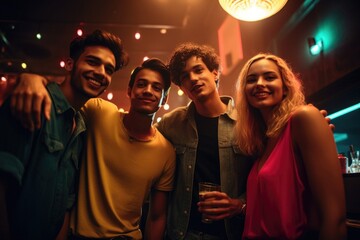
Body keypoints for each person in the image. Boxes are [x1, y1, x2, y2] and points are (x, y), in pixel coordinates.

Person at [10, 58, 176, 239]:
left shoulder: (166, 152)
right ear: (129, 90)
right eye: (141, 84)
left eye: (156, 87)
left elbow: (157, 217)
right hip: (78, 235)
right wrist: (32, 79)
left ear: (164, 98)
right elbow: (65, 95)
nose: (148, 91)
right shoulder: (100, 112)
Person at [0, 29, 128, 240]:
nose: (100, 72)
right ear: (70, 64)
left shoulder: (80, 127)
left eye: (108, 69)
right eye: (93, 62)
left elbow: (66, 203)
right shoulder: (34, 102)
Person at [235, 53, 346, 240]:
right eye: (251, 80)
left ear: (285, 87)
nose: (259, 83)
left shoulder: (304, 118)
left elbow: (335, 218)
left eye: (269, 77)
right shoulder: (262, 140)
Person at [156, 42, 252, 240]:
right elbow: (142, 143)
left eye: (198, 70)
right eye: (185, 76)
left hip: (231, 232)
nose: (193, 78)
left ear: (215, 72)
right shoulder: (171, 124)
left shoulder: (247, 121)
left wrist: (240, 204)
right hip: (183, 233)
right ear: (182, 86)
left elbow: (267, 176)